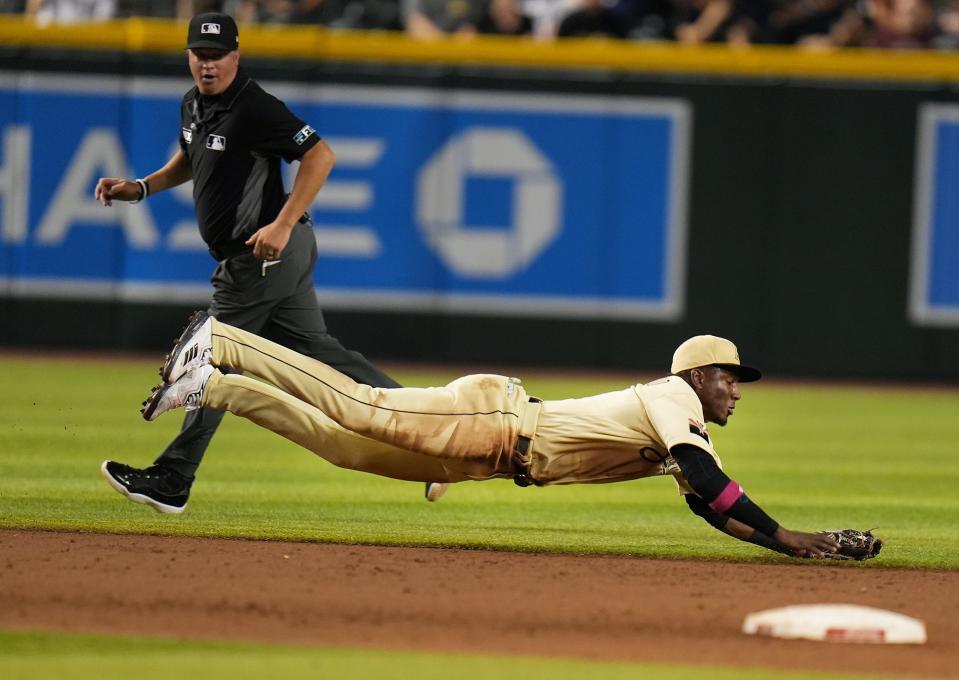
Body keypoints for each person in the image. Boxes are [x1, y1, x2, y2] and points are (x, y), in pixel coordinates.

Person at [95, 12, 447, 514]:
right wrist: (144, 187)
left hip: (262, 257)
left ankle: (173, 477)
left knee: (211, 356)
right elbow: (193, 157)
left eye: (217, 56)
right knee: (324, 357)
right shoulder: (193, 104)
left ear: (236, 56)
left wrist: (282, 223)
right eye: (200, 54)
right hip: (274, 257)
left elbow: (320, 155)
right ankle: (434, 434)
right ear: (188, 56)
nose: (208, 65)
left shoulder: (254, 107)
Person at [136, 312, 841, 559]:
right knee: (358, 406)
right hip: (499, 421)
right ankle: (224, 341)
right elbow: (708, 479)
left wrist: (797, 544)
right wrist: (788, 537)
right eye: (729, 378)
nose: (736, 391)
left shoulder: (679, 421)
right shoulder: (670, 397)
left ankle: (215, 387)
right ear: (699, 374)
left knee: (344, 447)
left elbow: (707, 504)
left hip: (494, 454)